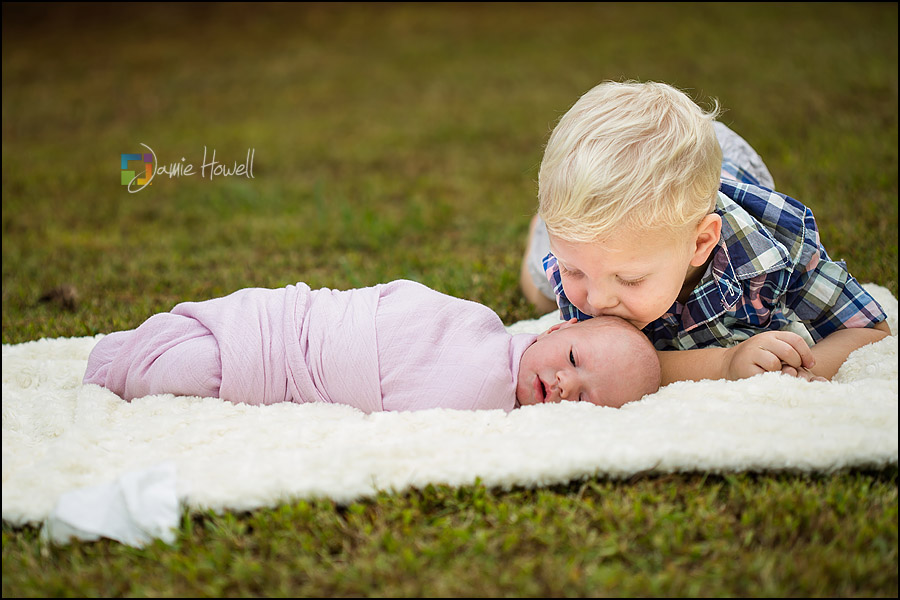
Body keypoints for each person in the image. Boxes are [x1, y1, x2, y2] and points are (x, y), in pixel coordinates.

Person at [520, 80, 890, 385]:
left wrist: (802, 374)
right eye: (574, 270)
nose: (597, 301)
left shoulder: (776, 248)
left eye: (630, 279)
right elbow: (610, 371)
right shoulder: (596, 264)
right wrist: (725, 363)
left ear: (700, 243)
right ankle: (542, 228)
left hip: (732, 160)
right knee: (539, 293)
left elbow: (870, 329)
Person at [83, 279, 661, 413]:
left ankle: (132, 361)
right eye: (574, 362)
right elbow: (403, 303)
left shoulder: (495, 416)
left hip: (299, 377)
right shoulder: (481, 325)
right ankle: (127, 354)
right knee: (200, 349)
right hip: (301, 330)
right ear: (555, 331)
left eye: (584, 399)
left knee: (184, 371)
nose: (565, 385)